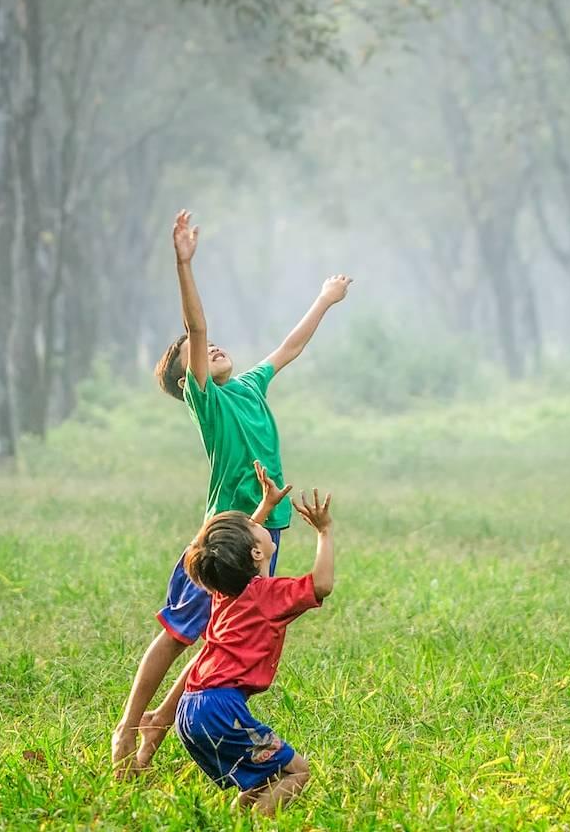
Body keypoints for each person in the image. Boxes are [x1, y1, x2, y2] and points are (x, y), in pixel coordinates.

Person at [111, 209, 351, 773]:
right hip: (223, 537)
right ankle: (129, 729)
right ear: (185, 378)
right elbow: (195, 328)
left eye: (215, 345)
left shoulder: (247, 385)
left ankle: (151, 744)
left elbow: (289, 347)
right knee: (178, 635)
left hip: (265, 532)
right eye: (195, 353)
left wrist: (324, 299)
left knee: (220, 644)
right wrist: (183, 263)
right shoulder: (209, 401)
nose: (211, 346)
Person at [165, 480, 335, 814]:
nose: (258, 524)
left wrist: (266, 505)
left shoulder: (224, 589)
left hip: (190, 708)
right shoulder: (267, 596)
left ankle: (237, 819)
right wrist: (324, 532)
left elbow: (237, 553)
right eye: (253, 526)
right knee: (297, 772)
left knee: (263, 781)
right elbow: (322, 584)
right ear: (256, 552)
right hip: (220, 711)